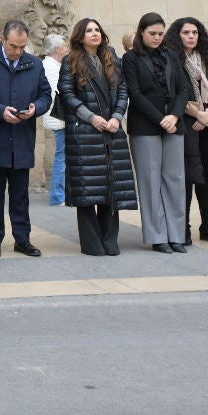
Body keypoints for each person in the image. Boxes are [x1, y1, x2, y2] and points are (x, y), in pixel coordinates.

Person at [59, 19, 136, 256]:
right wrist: (91, 117)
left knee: (111, 185)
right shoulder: (70, 60)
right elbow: (67, 95)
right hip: (84, 132)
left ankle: (110, 241)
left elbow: (122, 89)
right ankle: (92, 244)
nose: (94, 34)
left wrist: (117, 116)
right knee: (87, 190)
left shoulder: (111, 57)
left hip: (112, 129)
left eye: (97, 30)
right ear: (80, 36)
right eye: (89, 30)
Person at [0, 19, 52, 258]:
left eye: (22, 47)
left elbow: (45, 95)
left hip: (22, 138)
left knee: (21, 195)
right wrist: (0, 111)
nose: (17, 52)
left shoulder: (34, 63)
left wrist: (36, 108)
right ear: (2, 39)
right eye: (13, 46)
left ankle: (22, 239)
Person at [122, 12, 190, 253]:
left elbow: (183, 88)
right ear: (141, 32)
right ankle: (157, 235)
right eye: (153, 34)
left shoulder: (171, 55)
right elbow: (135, 93)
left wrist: (174, 116)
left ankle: (176, 235)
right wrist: (160, 119)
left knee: (175, 180)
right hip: (145, 126)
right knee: (150, 181)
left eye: (161, 34)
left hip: (174, 124)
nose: (157, 38)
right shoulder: (130, 58)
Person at [166, 16, 208, 245]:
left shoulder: (206, 58)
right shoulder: (171, 59)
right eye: (186, 33)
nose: (192, 36)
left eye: (195, 32)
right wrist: (197, 114)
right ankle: (183, 227)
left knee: (204, 177)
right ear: (177, 35)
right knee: (185, 177)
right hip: (184, 123)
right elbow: (171, 94)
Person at [40, 33, 68, 206]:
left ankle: (61, 193)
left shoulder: (52, 65)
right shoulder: (51, 67)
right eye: (65, 46)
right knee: (62, 156)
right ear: (58, 49)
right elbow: (57, 95)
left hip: (59, 117)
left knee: (62, 155)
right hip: (60, 118)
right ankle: (58, 195)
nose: (67, 49)